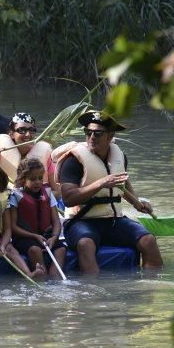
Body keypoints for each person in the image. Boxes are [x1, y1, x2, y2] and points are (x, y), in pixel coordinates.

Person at [57, 110, 163, 274]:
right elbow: (69, 199)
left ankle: (150, 287)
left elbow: (122, 183)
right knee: (86, 244)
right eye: (88, 132)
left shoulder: (119, 156)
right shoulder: (72, 161)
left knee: (148, 240)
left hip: (113, 220)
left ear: (110, 136)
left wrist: (137, 203)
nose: (92, 137)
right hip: (80, 221)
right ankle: (93, 293)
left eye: (98, 133)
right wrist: (100, 183)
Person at [8, 158, 66, 279]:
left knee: (61, 249)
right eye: (33, 179)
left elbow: (56, 221)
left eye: (40, 178)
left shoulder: (48, 194)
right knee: (35, 250)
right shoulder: (15, 196)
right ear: (23, 179)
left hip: (47, 236)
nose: (38, 182)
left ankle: (55, 276)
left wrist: (55, 237)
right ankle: (41, 275)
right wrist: (34, 236)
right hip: (25, 237)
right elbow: (13, 227)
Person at [0, 112, 60, 196]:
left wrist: (39, 197)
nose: (28, 134)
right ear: (11, 134)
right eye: (22, 130)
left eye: (31, 130)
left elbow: (58, 191)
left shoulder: (45, 152)